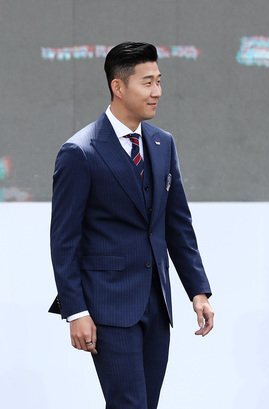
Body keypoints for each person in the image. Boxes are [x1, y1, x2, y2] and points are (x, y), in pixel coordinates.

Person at [50, 42, 214, 409]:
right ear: (118, 87)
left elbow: (177, 225)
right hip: (108, 306)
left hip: (157, 304)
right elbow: (64, 241)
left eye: (159, 81)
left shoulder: (162, 143)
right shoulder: (80, 151)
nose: (157, 91)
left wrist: (198, 291)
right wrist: (76, 311)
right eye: (147, 82)